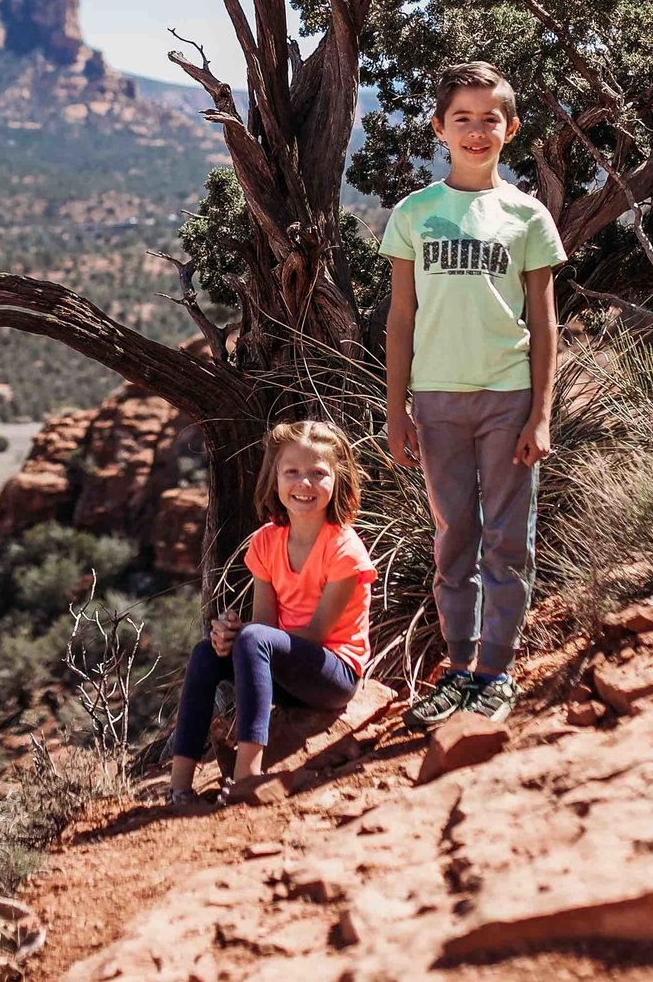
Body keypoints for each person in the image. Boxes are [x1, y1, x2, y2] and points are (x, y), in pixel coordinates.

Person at [380, 60, 565, 726]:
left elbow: (544, 323)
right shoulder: (415, 213)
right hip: (434, 401)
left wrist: (541, 413)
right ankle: (458, 668)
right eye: (463, 117)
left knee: (508, 540)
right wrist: (395, 409)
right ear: (439, 128)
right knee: (453, 536)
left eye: (490, 118)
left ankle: (496, 672)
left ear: (509, 129)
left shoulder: (527, 216)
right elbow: (400, 318)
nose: (477, 129)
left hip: (508, 396)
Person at [164, 418, 375, 805]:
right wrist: (232, 634)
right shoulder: (266, 541)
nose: (304, 484)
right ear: (274, 478)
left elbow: (315, 635)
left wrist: (252, 637)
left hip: (333, 674)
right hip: (287, 666)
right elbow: (265, 627)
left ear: (338, 479)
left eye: (318, 473)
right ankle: (179, 787)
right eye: (291, 472)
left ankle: (246, 777)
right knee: (206, 655)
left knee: (252, 639)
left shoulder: (345, 550)